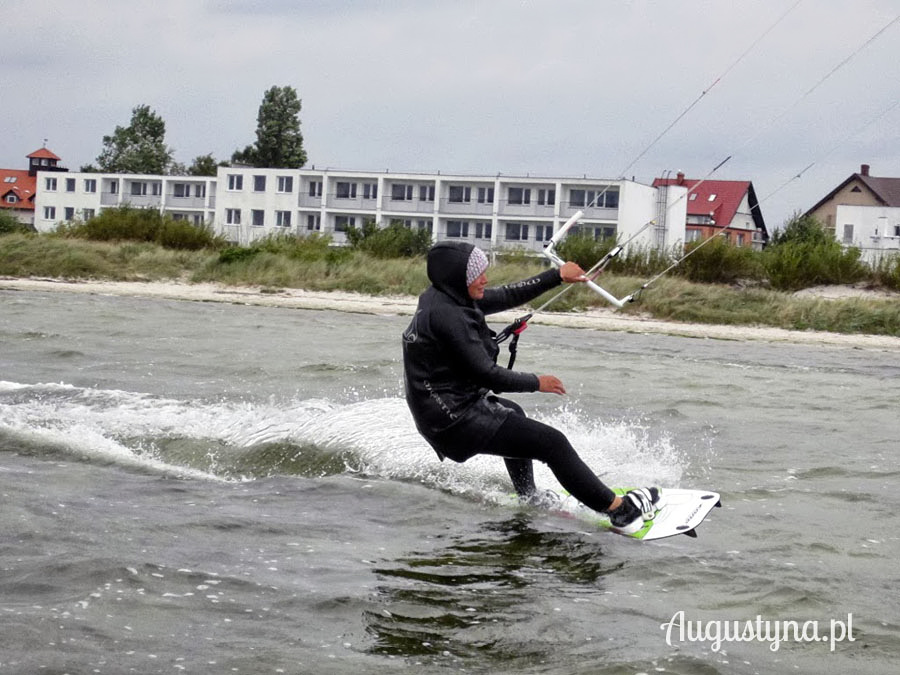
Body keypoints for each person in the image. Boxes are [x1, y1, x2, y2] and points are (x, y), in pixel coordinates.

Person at [401, 241, 659, 534]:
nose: (485, 279)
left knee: (514, 414)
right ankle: (620, 511)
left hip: (446, 410)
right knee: (552, 443)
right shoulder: (448, 317)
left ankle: (528, 495)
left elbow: (508, 295)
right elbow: (488, 375)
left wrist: (557, 275)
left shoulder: (448, 297)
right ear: (457, 277)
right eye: (477, 274)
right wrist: (538, 382)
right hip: (452, 421)